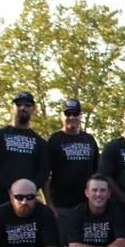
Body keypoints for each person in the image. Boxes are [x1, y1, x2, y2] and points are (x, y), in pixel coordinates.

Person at [0, 91, 49, 230]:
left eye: (27, 105)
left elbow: (43, 171)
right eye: (19, 104)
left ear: (33, 109)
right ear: (12, 108)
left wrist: (27, 193)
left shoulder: (40, 142)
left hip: (27, 203)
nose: (23, 108)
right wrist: (10, 189)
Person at [44, 99, 100, 235]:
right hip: (61, 207)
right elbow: (44, 175)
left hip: (86, 206)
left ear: (81, 116)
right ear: (61, 116)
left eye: (75, 114)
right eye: (68, 114)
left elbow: (97, 173)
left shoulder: (89, 139)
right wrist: (49, 205)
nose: (72, 117)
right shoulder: (54, 140)